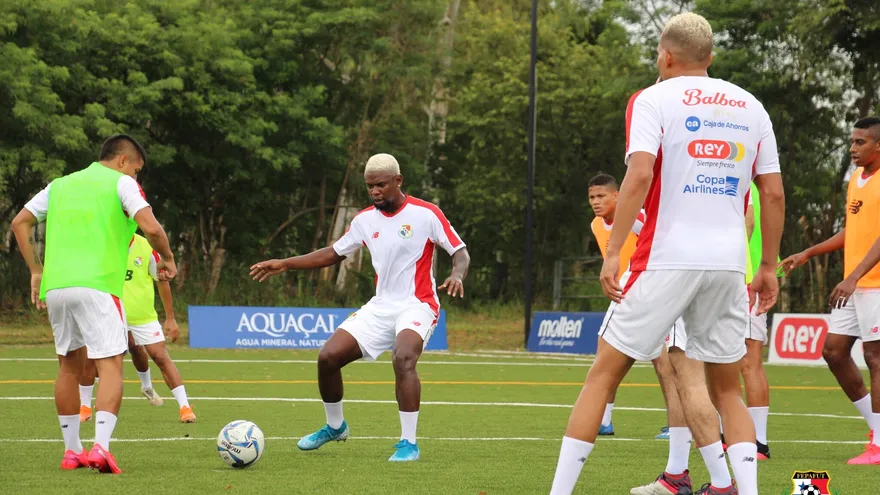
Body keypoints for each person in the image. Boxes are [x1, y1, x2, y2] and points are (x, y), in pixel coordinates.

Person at [549, 13, 784, 495]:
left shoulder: (651, 99)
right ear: (711, 57)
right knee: (726, 389)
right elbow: (774, 193)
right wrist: (766, 266)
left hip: (664, 258)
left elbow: (638, 175)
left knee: (602, 377)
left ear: (665, 56)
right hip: (728, 264)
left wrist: (614, 253)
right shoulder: (752, 106)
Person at [250, 153, 470, 462]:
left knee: (403, 357)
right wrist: (285, 263)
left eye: (381, 185)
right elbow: (333, 253)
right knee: (328, 357)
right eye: (370, 186)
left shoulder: (426, 213)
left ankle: (408, 443)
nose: (375, 191)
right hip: (380, 306)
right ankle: (335, 427)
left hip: (418, 304)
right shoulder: (364, 220)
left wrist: (457, 275)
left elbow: (460, 251)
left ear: (398, 180)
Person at [10, 134, 177, 474]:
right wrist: (168, 258)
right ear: (122, 161)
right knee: (110, 364)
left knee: (68, 367)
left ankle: (72, 451)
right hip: (98, 285)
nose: (136, 177)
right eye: (137, 170)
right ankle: (101, 448)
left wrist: (36, 270)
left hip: (57, 286)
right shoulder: (122, 183)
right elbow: (152, 229)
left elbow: (19, 222)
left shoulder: (59, 185)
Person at [589, 173, 728, 495]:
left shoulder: (637, 215)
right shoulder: (597, 226)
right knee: (662, 368)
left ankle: (705, 467)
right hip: (636, 290)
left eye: (601, 196)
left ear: (618, 195)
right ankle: (680, 469)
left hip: (659, 287)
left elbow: (658, 237)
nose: (596, 202)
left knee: (675, 370)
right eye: (592, 197)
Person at [780, 116, 880, 465]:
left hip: (875, 284)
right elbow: (853, 231)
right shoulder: (857, 179)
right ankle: (876, 429)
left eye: (860, 142)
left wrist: (853, 277)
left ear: (878, 145)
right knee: (834, 352)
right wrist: (808, 252)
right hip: (855, 284)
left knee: (875, 358)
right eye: (852, 141)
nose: (852, 148)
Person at [79, 233, 195, 424]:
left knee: (160, 355)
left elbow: (162, 281)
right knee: (94, 358)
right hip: (110, 314)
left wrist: (170, 318)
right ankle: (84, 406)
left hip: (143, 316)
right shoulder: (101, 243)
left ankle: (185, 407)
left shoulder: (147, 247)